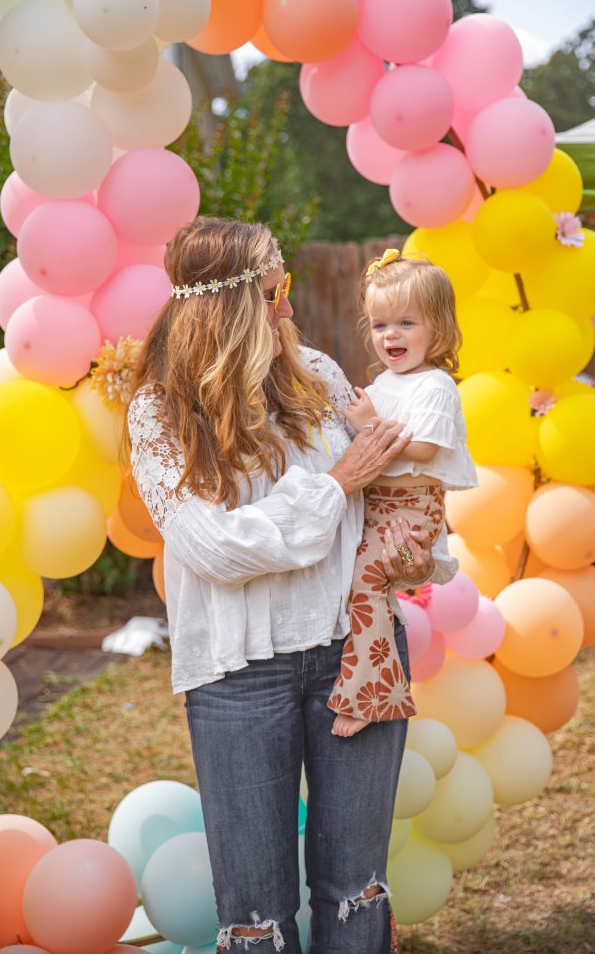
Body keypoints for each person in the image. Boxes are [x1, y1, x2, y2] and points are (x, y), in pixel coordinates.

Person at [126, 218, 457, 954]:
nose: (289, 308)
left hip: (356, 650)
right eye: (275, 293)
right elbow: (213, 546)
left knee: (355, 890)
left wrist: (423, 553)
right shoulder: (158, 411)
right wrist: (336, 486)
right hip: (237, 675)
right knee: (254, 914)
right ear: (234, 305)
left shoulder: (320, 377)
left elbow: (387, 490)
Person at [328, 249, 477, 738]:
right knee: (351, 580)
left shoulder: (434, 386)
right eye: (379, 324)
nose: (390, 335)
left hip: (412, 509)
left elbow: (427, 448)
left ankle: (374, 695)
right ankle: (364, 675)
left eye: (406, 323)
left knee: (366, 582)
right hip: (380, 505)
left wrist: (369, 428)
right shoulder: (384, 383)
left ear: (438, 328)